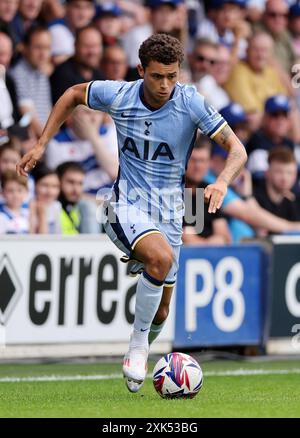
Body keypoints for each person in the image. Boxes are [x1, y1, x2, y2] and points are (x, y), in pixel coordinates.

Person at [16, 33, 247, 393]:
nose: (166, 85)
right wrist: (42, 142)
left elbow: (237, 149)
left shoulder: (191, 102)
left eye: (172, 76)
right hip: (123, 203)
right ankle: (137, 348)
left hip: (169, 213)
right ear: (141, 70)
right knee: (159, 258)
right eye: (157, 76)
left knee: (162, 312)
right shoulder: (120, 94)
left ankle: (142, 322)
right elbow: (74, 94)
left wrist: (221, 181)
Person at [254, 146, 300, 224]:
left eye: (290, 173)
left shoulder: (294, 201)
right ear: (267, 173)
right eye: (279, 172)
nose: (285, 178)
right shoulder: (254, 198)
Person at [56, 161, 99, 234]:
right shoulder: (50, 206)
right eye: (71, 182)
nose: (76, 189)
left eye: (80, 183)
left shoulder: (82, 207)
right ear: (58, 181)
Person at [0, 169, 33, 234]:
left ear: (26, 192)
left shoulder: (29, 213)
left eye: (19, 190)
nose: (15, 195)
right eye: (10, 191)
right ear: (2, 193)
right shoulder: (1, 216)